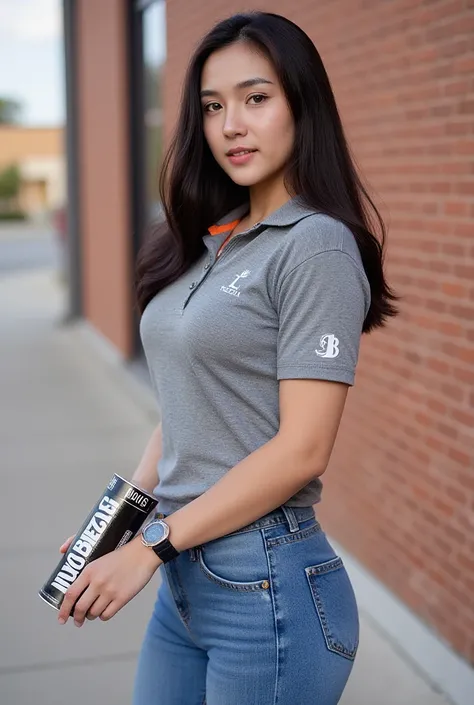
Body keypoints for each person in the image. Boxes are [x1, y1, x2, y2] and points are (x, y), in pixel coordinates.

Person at [57, 11, 398, 704]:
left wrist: (148, 546)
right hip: (185, 580)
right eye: (213, 107)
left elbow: (303, 449)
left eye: (256, 98)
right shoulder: (211, 241)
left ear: (303, 104)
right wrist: (115, 526)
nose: (231, 125)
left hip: (265, 583)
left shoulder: (316, 245)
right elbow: (186, 409)